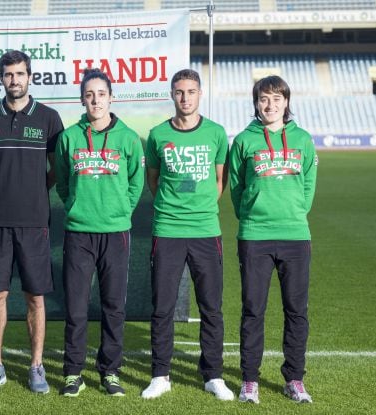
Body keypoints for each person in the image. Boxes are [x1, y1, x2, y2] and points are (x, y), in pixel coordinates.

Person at [0, 50, 64, 393]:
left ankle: (36, 366)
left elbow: (57, 168)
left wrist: (36, 189)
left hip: (34, 222)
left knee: (35, 298)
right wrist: (2, 189)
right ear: (1, 78)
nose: (14, 80)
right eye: (8, 74)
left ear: (30, 76)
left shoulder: (49, 118)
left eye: (20, 74)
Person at [141, 69, 234, 401]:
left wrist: (200, 207)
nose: (185, 98)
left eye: (191, 92)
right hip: (167, 230)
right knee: (162, 307)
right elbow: (154, 181)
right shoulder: (157, 135)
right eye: (179, 92)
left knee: (211, 307)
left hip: (206, 231)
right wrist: (174, 207)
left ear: (200, 94)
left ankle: (213, 375)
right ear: (172, 94)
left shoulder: (216, 133)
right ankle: (160, 374)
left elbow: (219, 182)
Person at [54, 68, 144, 397]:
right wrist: (77, 205)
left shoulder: (129, 138)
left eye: (101, 94)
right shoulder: (69, 137)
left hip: (116, 232)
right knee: (76, 306)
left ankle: (110, 371)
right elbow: (63, 183)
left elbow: (135, 183)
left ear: (110, 97)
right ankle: (73, 372)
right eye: (89, 94)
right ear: (82, 99)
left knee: (113, 306)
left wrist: (121, 210)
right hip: (79, 232)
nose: (95, 100)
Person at [229, 75, 317, 404]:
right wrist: (254, 214)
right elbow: (237, 189)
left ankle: (294, 378)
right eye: (264, 99)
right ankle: (250, 379)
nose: (270, 105)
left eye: (276, 99)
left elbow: (308, 185)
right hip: (255, 236)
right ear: (256, 103)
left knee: (297, 311)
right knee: (253, 310)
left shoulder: (303, 140)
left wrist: (293, 212)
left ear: (286, 102)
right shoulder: (243, 140)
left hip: (295, 235)